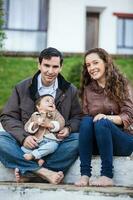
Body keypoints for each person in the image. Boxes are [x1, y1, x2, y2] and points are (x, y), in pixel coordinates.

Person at [0, 47, 81, 184]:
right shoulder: (22, 87)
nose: (50, 71)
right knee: (1, 139)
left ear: (61, 67)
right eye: (46, 65)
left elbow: (78, 117)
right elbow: (7, 117)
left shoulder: (70, 90)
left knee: (78, 139)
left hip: (53, 143)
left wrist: (68, 128)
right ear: (39, 65)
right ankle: (44, 172)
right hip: (26, 144)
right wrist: (24, 137)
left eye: (55, 67)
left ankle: (30, 172)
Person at [75, 48, 133, 187]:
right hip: (99, 142)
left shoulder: (122, 84)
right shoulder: (88, 89)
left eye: (95, 63)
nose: (91, 68)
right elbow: (85, 118)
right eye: (88, 65)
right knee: (86, 121)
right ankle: (85, 174)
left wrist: (107, 118)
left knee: (102, 122)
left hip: (122, 141)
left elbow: (129, 116)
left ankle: (107, 175)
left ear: (106, 63)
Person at [21, 94, 65, 166]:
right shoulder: (35, 115)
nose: (51, 103)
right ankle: (39, 157)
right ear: (39, 107)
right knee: (23, 148)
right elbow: (27, 127)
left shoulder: (55, 114)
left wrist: (50, 125)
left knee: (53, 146)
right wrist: (35, 124)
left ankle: (34, 155)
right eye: (47, 101)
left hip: (49, 140)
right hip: (36, 141)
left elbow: (61, 122)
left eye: (53, 102)